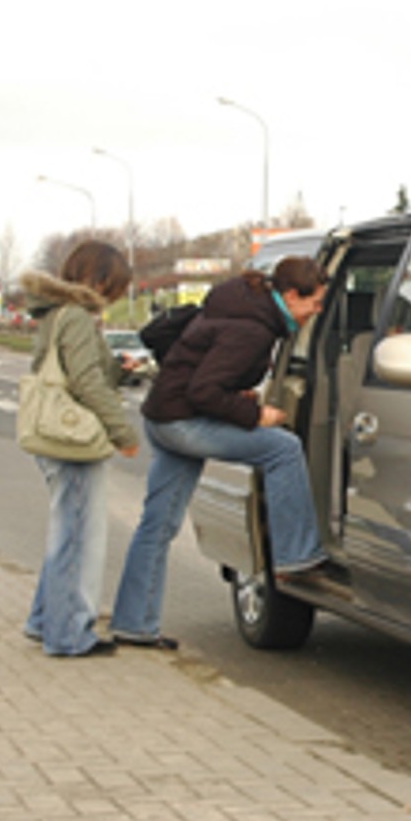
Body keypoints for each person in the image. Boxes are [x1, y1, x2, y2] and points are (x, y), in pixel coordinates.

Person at [108, 257, 331, 650]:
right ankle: (296, 557)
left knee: (157, 526)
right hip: (182, 423)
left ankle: (134, 624)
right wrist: (256, 413)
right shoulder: (254, 330)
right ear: (292, 295)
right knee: (283, 448)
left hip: (164, 416)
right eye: (314, 304)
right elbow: (204, 392)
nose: (317, 312)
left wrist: (234, 396)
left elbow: (205, 377)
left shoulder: (240, 305)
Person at [20, 242, 141, 658]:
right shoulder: (74, 316)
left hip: (54, 434)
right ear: (100, 279)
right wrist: (123, 432)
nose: (115, 297)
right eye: (116, 288)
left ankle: (44, 621)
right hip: (69, 440)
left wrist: (117, 371)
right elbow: (85, 382)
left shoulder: (56, 312)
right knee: (76, 537)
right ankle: (69, 634)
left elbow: (82, 372)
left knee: (64, 532)